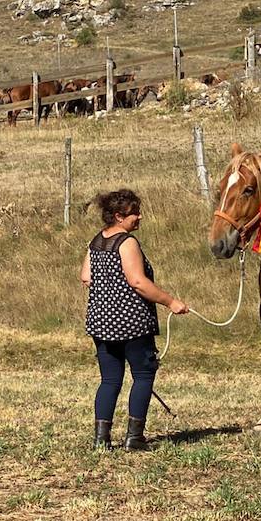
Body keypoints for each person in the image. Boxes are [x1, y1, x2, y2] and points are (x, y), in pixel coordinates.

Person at [80, 189, 189, 452]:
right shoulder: (127, 243)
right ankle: (134, 438)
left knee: (109, 380)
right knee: (143, 374)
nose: (139, 218)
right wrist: (170, 302)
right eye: (134, 214)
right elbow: (138, 282)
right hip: (131, 324)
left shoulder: (96, 242)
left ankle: (101, 440)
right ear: (119, 216)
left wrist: (108, 293)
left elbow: (86, 277)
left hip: (101, 323)